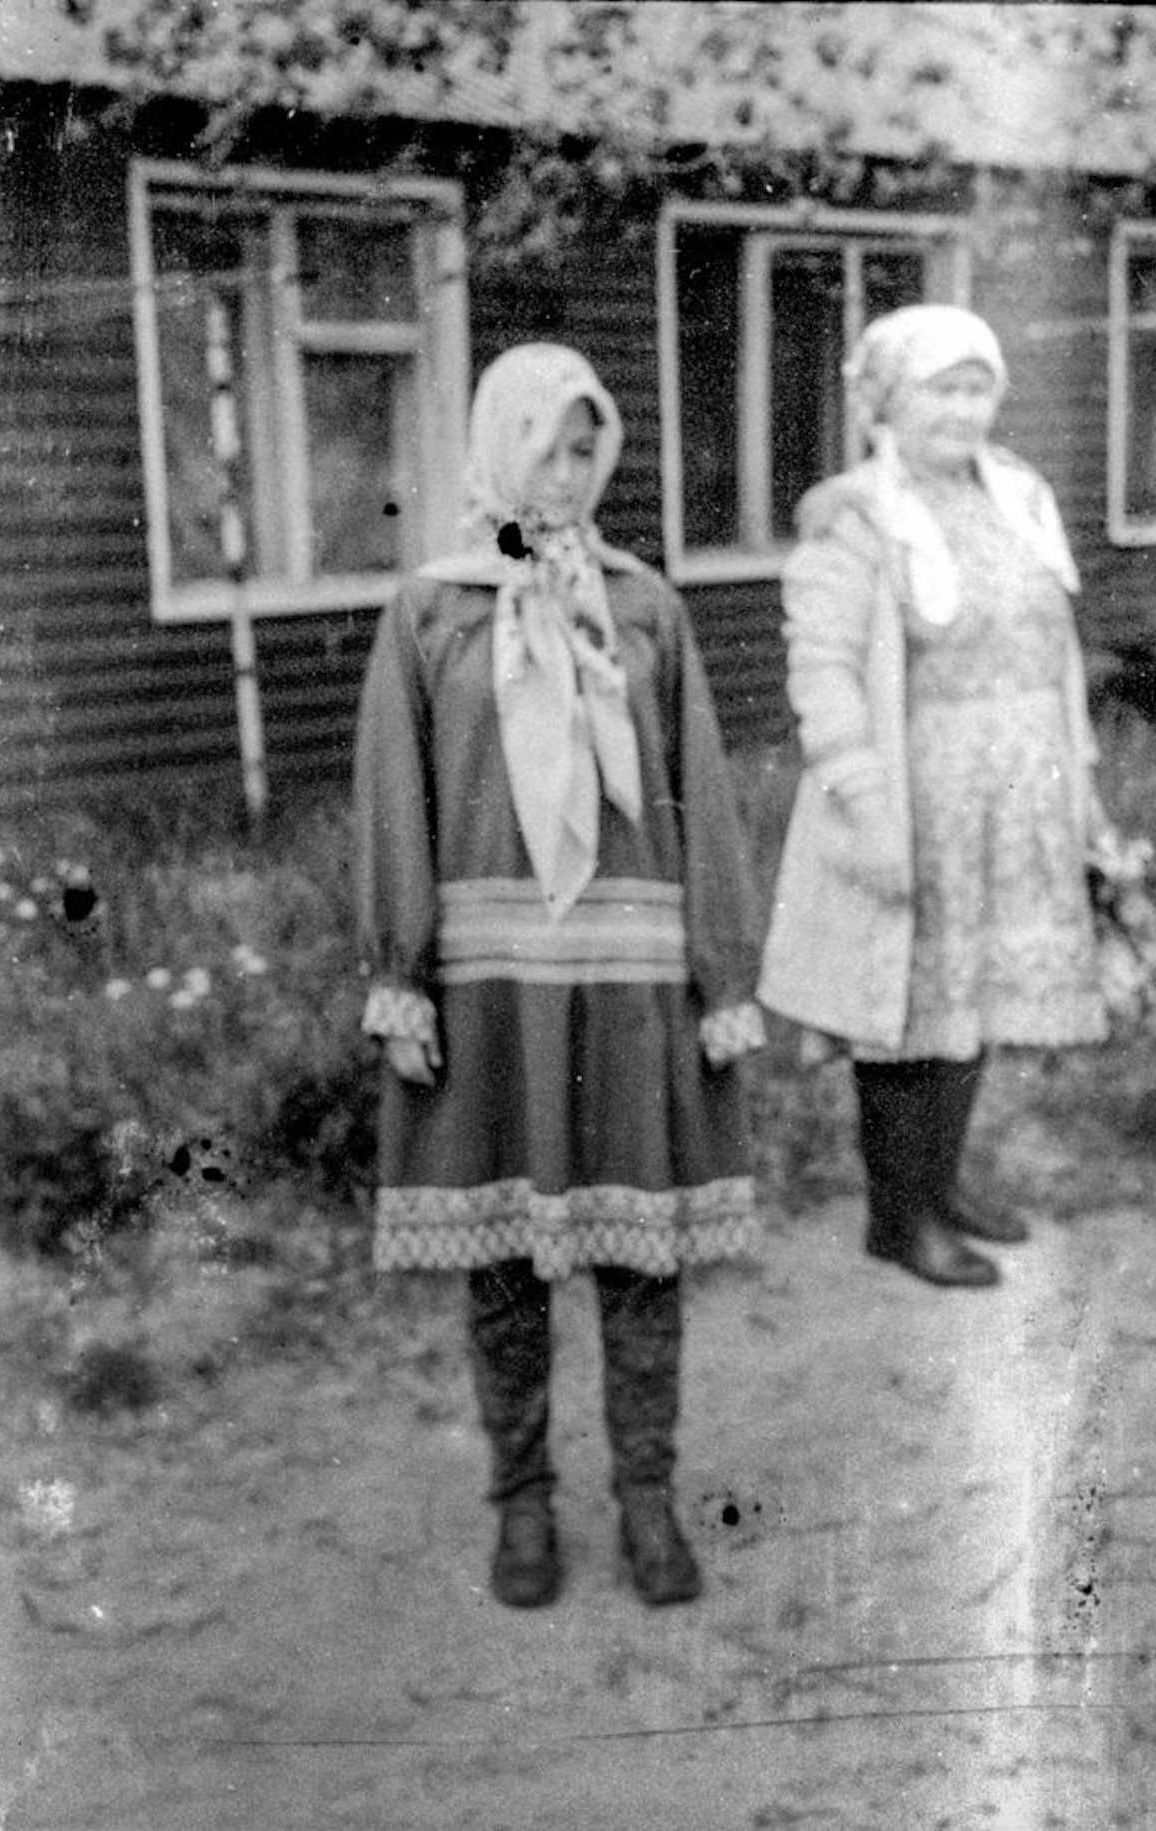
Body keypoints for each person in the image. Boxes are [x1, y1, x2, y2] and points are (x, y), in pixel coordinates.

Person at [353, 342, 765, 1609]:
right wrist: (400, 974)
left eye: (590, 447)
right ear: (499, 446)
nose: (571, 470)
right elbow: (396, 799)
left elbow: (697, 796)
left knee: (644, 1265)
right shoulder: (430, 608)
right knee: (508, 1271)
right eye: (549, 443)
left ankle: (647, 1500)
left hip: (631, 979)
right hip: (490, 989)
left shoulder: (644, 605)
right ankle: (521, 1507)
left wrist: (723, 972)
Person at [758, 304, 1111, 1290]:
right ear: (889, 399)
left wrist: (1078, 782)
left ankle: (941, 1186)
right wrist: (866, 805)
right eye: (940, 389)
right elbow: (822, 668)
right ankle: (897, 1214)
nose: (963, 410)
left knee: (975, 998)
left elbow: (1057, 647)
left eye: (977, 387)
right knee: (907, 1006)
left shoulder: (1019, 494)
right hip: (919, 804)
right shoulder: (855, 515)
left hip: (1018, 796)